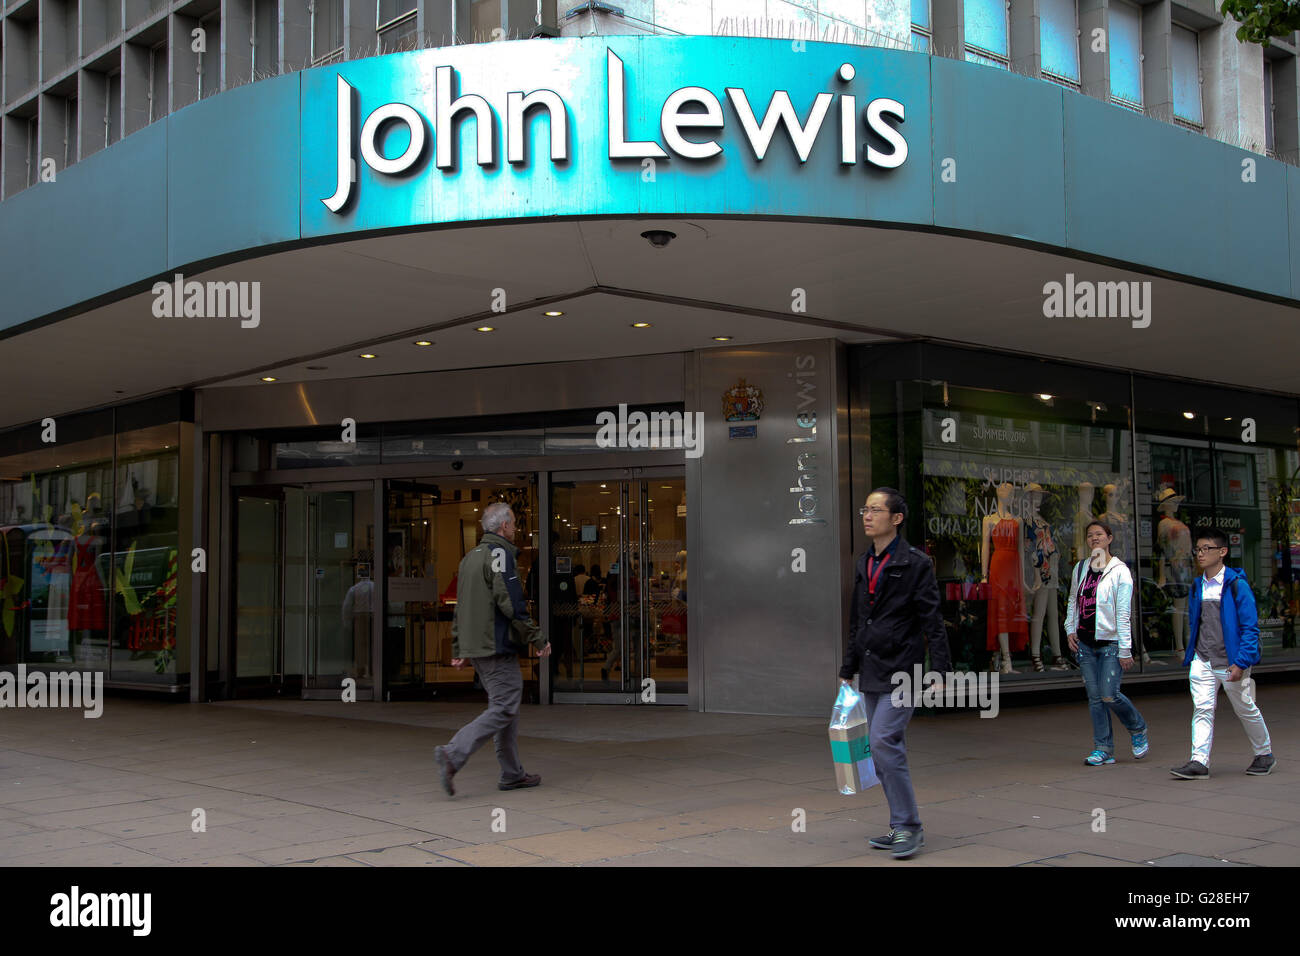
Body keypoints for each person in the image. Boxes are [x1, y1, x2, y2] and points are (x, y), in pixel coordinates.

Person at [839, 487, 952, 860]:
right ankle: (900, 824)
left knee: (884, 740)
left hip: (904, 669)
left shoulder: (915, 563)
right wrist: (848, 667)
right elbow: (858, 619)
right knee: (880, 748)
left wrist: (941, 669)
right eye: (865, 509)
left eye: (875, 510)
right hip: (871, 668)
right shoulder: (863, 562)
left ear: (897, 518)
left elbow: (931, 619)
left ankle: (908, 827)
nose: (867, 516)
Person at [433, 503, 551, 797]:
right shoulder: (500, 554)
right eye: (513, 523)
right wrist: (536, 637)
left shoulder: (470, 558)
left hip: (478, 647)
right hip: (495, 644)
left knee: (505, 705)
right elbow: (511, 603)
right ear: (503, 527)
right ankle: (453, 753)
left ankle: (512, 773)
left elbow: (460, 607)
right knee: (503, 707)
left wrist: (460, 646)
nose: (515, 528)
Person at [1170, 528, 1275, 778]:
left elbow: (1250, 629)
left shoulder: (1237, 585)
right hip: (1203, 659)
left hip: (1231, 662)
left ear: (1223, 552)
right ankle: (1199, 761)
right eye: (1198, 549)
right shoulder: (1198, 586)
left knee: (1245, 707)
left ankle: (1264, 753)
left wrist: (1241, 663)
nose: (1200, 554)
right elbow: (1198, 623)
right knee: (1202, 709)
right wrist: (1192, 654)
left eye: (1207, 548)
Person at [1065, 520, 1149, 766]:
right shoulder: (1081, 568)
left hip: (1111, 643)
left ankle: (1138, 727)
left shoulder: (1119, 570)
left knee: (1109, 694)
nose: (1094, 538)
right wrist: (1070, 628)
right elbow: (1073, 600)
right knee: (1094, 698)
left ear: (1109, 538)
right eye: (1090, 535)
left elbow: (1124, 613)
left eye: (1099, 534)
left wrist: (1125, 649)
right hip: (1086, 643)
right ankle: (1103, 748)